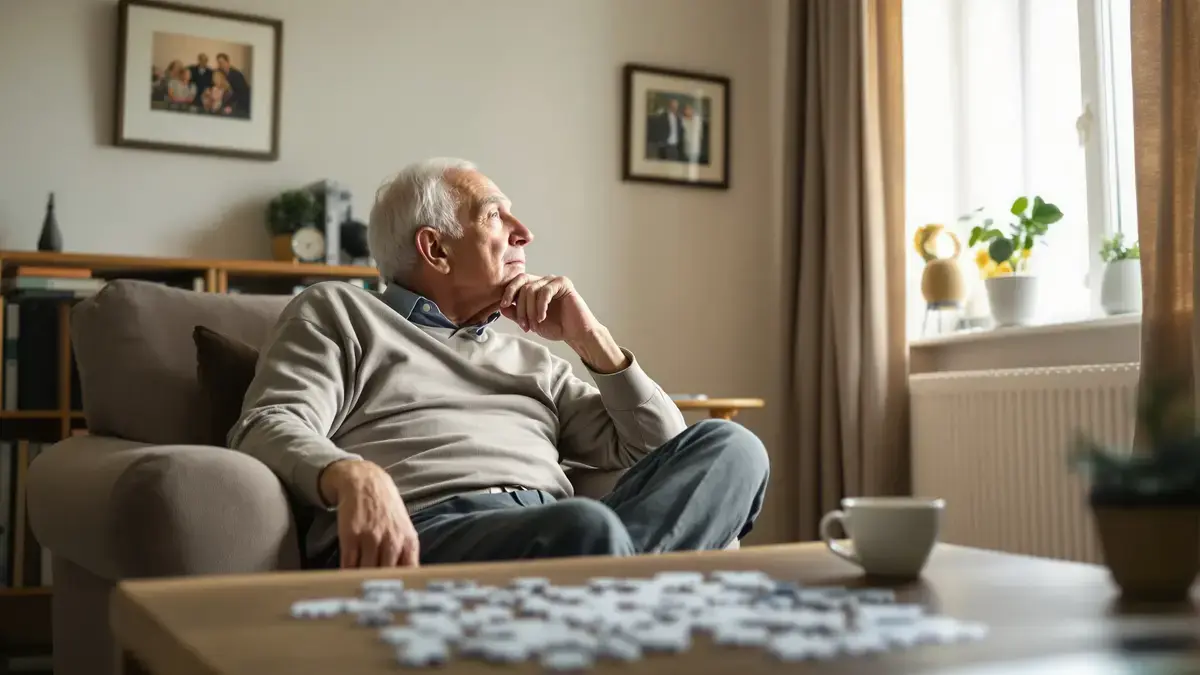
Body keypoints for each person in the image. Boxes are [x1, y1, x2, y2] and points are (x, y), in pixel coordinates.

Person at [228, 158, 769, 569]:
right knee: (585, 529)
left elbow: (659, 447)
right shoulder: (341, 313)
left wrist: (590, 339)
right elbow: (267, 422)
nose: (524, 232)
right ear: (435, 249)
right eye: (494, 214)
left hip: (559, 534)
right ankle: (633, 599)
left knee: (733, 447)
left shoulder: (534, 361)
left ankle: (613, 595)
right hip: (430, 533)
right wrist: (353, 475)